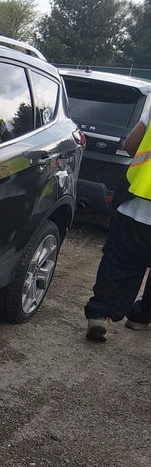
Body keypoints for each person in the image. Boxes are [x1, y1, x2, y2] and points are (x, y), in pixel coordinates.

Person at [84, 108, 151, 340]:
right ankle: (141, 317)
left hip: (138, 200)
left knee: (118, 259)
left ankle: (99, 314)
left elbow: (131, 145)